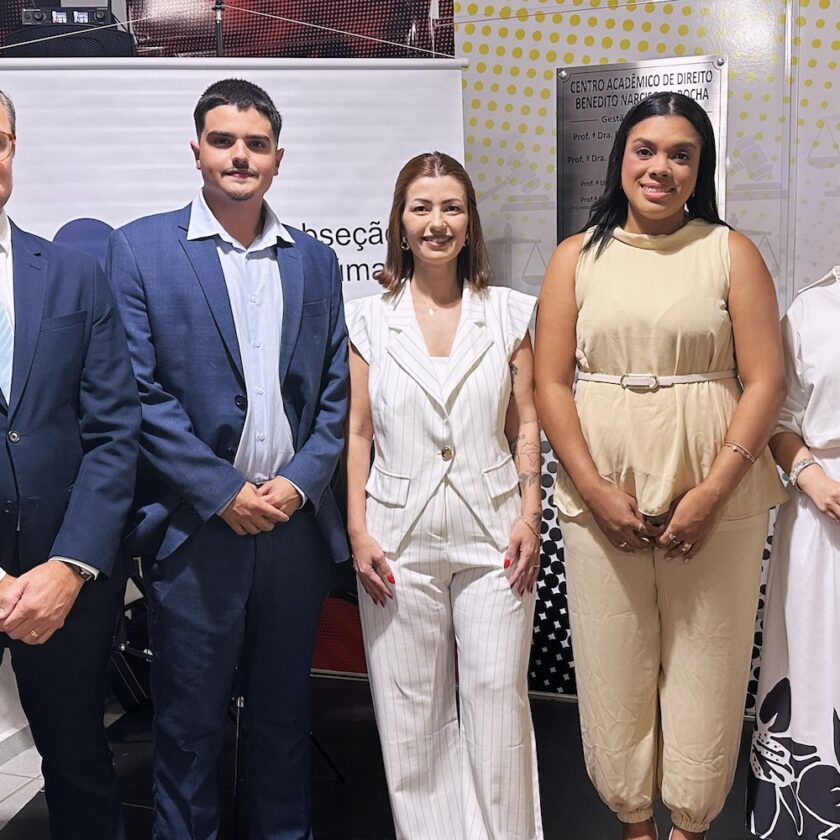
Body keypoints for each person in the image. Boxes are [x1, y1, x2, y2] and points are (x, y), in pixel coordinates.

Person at [534, 91, 788, 840]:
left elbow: (765, 381)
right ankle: (634, 824)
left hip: (719, 496)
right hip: (599, 494)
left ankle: (691, 827)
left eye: (682, 154)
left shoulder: (731, 252)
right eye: (645, 150)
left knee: (709, 664)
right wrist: (591, 486)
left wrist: (712, 492)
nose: (660, 168)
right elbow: (550, 382)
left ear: (699, 169)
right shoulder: (576, 256)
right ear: (620, 158)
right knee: (612, 664)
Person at [106, 79, 349, 839]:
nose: (239, 156)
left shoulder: (315, 262)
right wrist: (221, 492)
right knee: (189, 724)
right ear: (197, 150)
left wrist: (298, 486)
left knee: (283, 718)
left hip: (292, 531)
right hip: (196, 531)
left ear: (278, 157)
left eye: (255, 144)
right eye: (223, 141)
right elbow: (139, 392)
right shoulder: (139, 250)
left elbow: (335, 397)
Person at [345, 151, 543, 840]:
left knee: (497, 704)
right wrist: (358, 530)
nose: (437, 222)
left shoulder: (510, 313)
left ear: (470, 221)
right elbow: (359, 432)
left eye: (451, 207)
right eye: (422, 207)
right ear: (400, 222)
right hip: (395, 538)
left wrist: (530, 515)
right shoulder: (367, 320)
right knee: (411, 717)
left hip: (495, 535)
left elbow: (525, 423)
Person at [0, 88, 140, 839]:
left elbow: (114, 432)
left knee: (80, 764)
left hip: (62, 575)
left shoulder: (74, 277)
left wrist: (72, 563)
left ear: (13, 148)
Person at [747, 264, 840, 840]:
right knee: (811, 666)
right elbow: (778, 421)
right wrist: (814, 480)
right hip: (820, 515)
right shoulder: (810, 309)